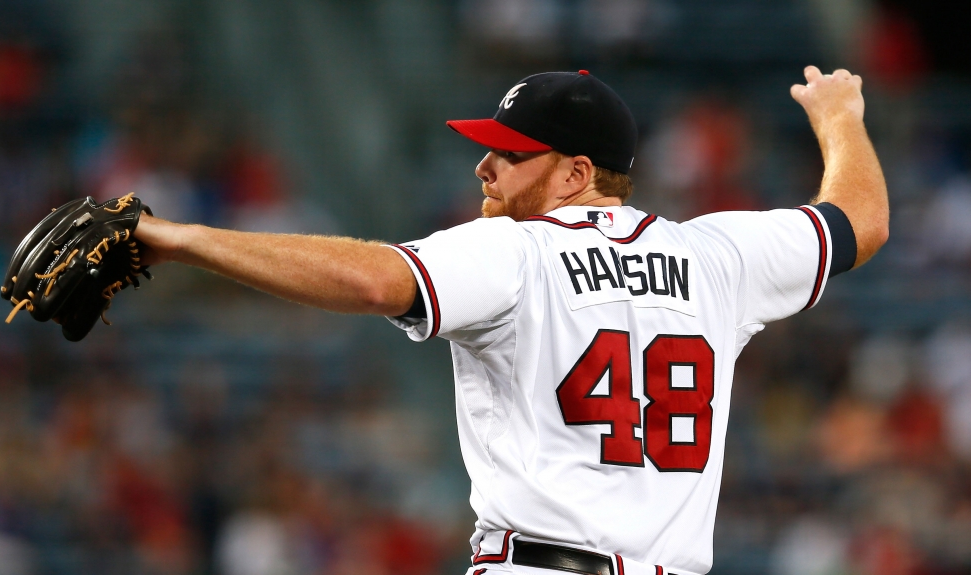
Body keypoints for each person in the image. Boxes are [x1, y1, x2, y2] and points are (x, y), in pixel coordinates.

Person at [133, 66, 888, 575]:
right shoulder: (717, 254)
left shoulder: (516, 249)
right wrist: (841, 116)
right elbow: (859, 218)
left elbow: (372, 280)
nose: (483, 168)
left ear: (576, 173)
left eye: (509, 153)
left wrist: (178, 236)